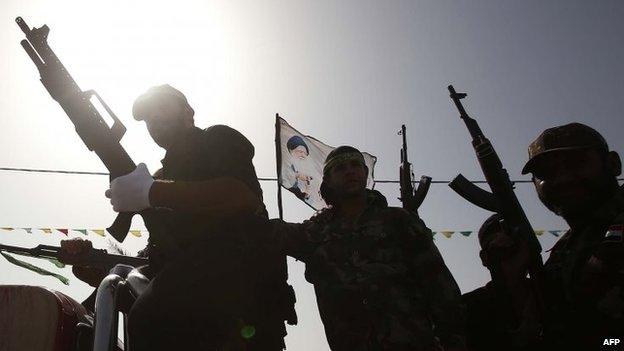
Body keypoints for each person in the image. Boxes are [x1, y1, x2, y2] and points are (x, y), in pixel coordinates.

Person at [105, 84, 296, 351]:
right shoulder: (160, 176)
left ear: (188, 112)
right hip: (190, 287)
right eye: (147, 118)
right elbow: (164, 247)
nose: (154, 119)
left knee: (150, 316)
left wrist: (152, 191)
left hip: (238, 290)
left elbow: (241, 196)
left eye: (161, 108)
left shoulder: (216, 139)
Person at [269, 146, 466, 350]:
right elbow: (266, 233)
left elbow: (439, 283)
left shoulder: (398, 220)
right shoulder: (315, 232)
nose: (349, 171)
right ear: (328, 180)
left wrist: (455, 339)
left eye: (355, 165)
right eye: (340, 168)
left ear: (365, 173)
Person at [511, 122, 624, 349]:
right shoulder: (567, 248)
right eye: (546, 173)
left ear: (612, 164)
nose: (563, 179)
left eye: (576, 163)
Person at [462, 214, 541, 351]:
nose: (506, 247)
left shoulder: (551, 290)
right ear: (484, 257)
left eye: (512, 242)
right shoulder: (469, 308)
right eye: (497, 245)